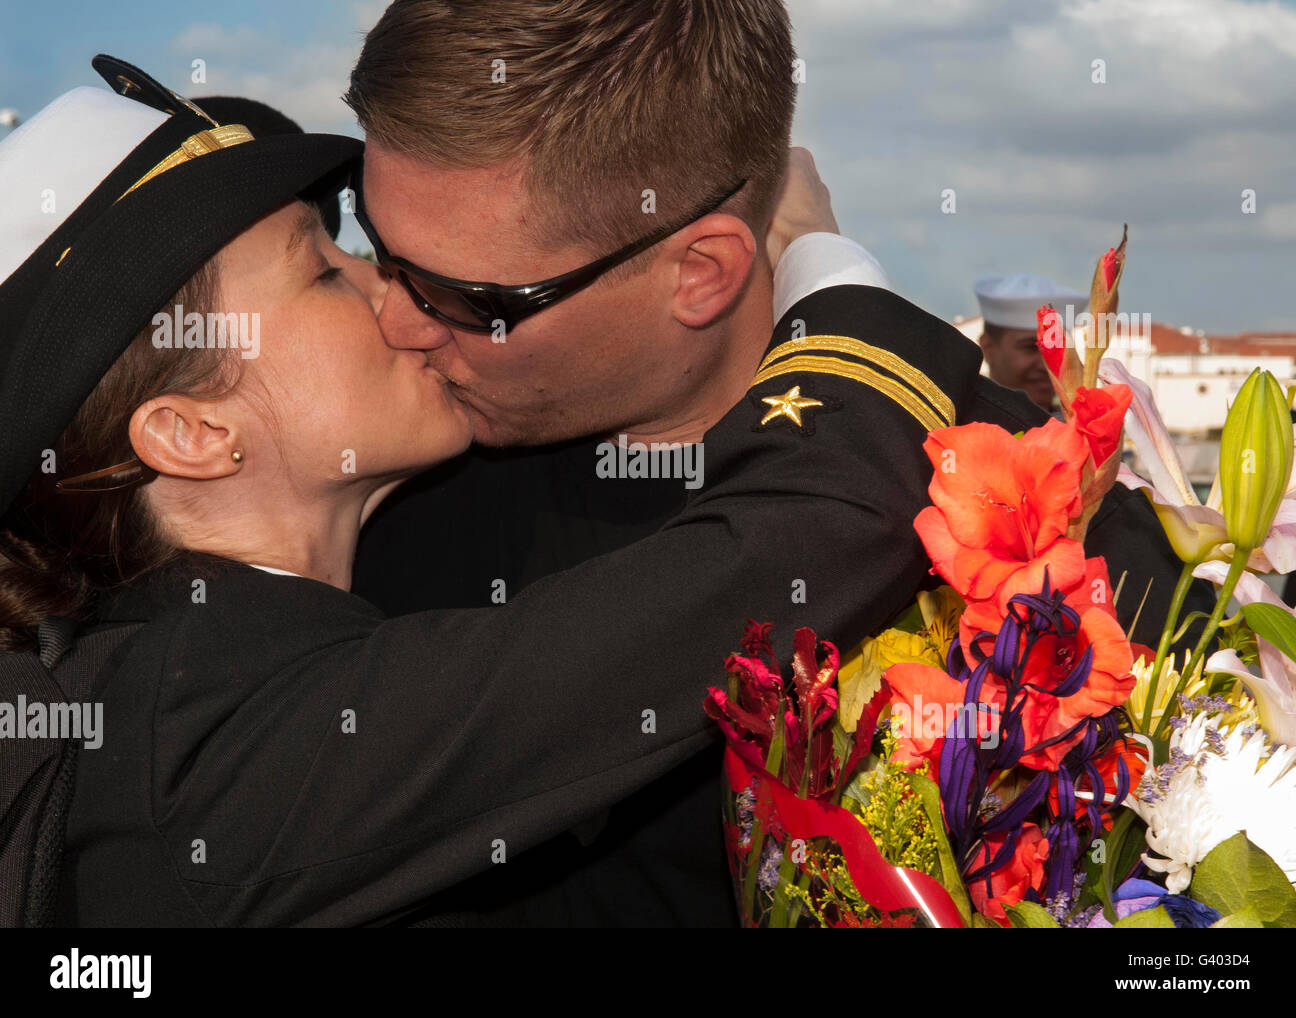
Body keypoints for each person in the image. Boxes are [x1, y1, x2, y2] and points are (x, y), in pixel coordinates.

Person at [0, 57, 983, 926]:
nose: (393, 297)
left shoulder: (199, 672)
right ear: (192, 431)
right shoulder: (219, 741)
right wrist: (824, 262)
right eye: (325, 272)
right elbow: (812, 533)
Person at [345, 1, 1212, 925]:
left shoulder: (1046, 537)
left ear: (701, 273)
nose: (394, 322)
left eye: (466, 297)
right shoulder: (372, 490)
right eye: (374, 244)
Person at [973, 273, 1089, 412]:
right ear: (988, 349)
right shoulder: (958, 427)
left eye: (1056, 349)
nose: (1045, 365)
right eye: (1031, 347)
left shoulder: (1083, 429)